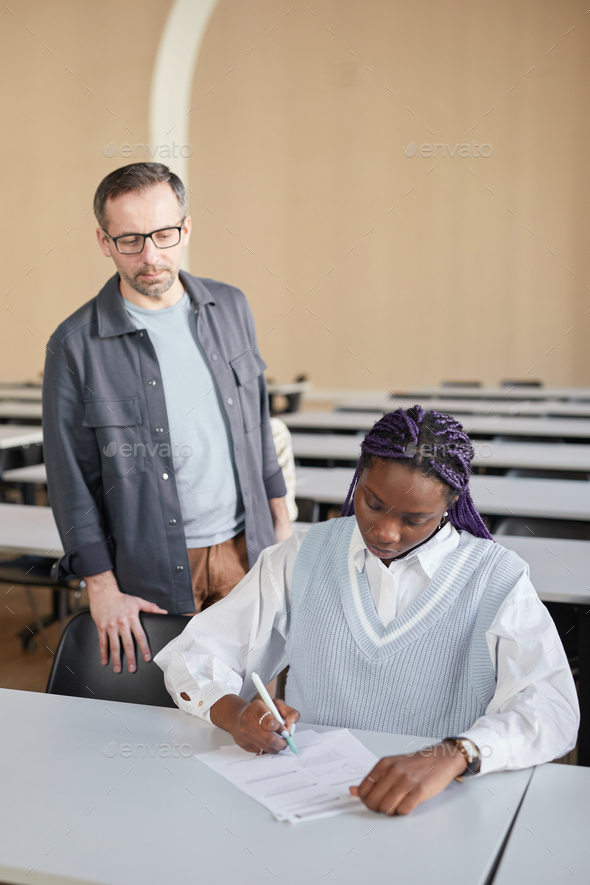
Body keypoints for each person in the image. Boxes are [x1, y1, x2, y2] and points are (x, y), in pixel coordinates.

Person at [155, 407, 578, 816]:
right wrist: (235, 714)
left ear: (449, 504)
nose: (385, 532)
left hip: (439, 807)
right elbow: (193, 653)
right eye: (373, 504)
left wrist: (454, 754)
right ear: (358, 480)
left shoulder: (495, 577)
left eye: (415, 519)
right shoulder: (304, 555)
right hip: (308, 798)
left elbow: (552, 709)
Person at [43, 162, 291, 675]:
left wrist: (282, 524)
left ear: (186, 228)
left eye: (163, 233)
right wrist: (101, 587)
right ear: (104, 242)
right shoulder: (74, 346)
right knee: (173, 710)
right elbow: (70, 481)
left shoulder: (231, 307)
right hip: (153, 569)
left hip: (251, 551)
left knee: (260, 701)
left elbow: (257, 422)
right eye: (130, 239)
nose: (151, 256)